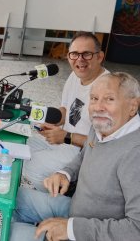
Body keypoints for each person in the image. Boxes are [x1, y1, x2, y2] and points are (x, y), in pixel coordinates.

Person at [11, 72, 140, 241]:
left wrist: (71, 230)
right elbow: (84, 155)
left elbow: (136, 230)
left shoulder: (135, 153)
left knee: (11, 233)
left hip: (90, 232)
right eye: (94, 98)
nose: (98, 107)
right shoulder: (103, 125)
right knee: (14, 198)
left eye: (109, 99)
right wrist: (65, 173)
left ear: (133, 106)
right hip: (75, 210)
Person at [23, 31, 108, 191]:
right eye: (74, 54)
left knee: (32, 166)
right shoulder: (75, 76)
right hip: (64, 141)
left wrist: (67, 137)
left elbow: (104, 144)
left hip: (83, 153)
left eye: (87, 54)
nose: (80, 60)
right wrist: (50, 122)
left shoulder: (108, 89)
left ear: (99, 56)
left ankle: (58, 202)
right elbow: (65, 111)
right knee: (22, 148)